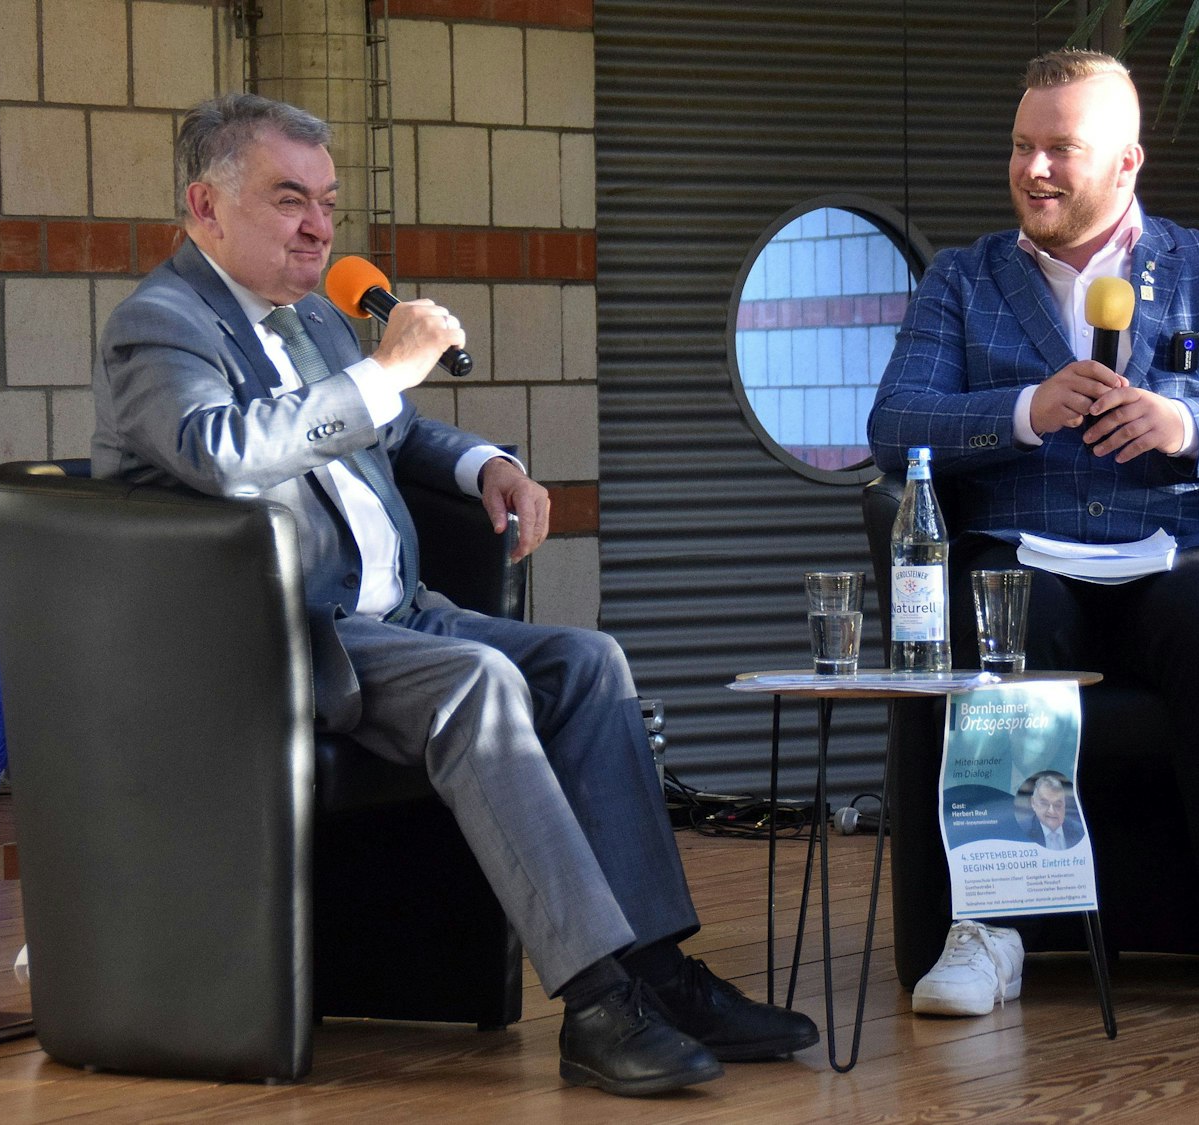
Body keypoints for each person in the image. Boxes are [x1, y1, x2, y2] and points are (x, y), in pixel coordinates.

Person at [91, 92, 816, 1097]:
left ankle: (657, 973)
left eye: (329, 204)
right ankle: (598, 1002)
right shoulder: (157, 325)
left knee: (584, 660)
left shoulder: (308, 318)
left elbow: (390, 432)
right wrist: (383, 372)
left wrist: (483, 465)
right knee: (477, 681)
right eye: (288, 199)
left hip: (398, 618)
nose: (317, 228)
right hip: (284, 638)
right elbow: (219, 454)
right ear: (203, 208)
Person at [869, 50, 1199, 1021]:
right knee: (1010, 623)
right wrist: (1024, 409)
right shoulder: (962, 280)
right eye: (1019, 147)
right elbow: (893, 424)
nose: (1031, 170)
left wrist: (1191, 427)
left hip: (1177, 555)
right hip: (1025, 554)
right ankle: (989, 930)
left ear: (1125, 162)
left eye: (1059, 150)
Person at [1015, 770, 1083, 850]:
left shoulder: (1080, 831)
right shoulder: (1021, 832)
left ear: (1064, 804)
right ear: (1033, 803)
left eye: (1057, 805)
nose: (1052, 811)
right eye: (1045, 804)